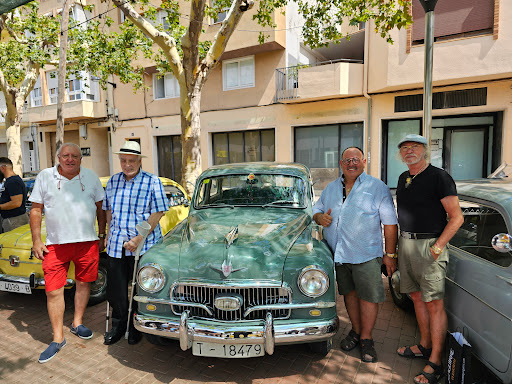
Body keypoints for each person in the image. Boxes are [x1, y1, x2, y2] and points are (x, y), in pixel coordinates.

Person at [313, 147, 398, 363]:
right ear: (341, 164)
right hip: (340, 254)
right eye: (347, 160)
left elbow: (390, 223)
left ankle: (367, 339)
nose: (352, 164)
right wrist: (319, 217)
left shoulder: (377, 187)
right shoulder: (331, 188)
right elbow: (315, 209)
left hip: (366, 254)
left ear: (364, 161)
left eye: (356, 160)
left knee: (368, 297)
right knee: (349, 294)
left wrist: (390, 254)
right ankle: (357, 332)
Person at [395, 134, 463, 384]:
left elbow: (457, 217)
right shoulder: (405, 178)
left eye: (414, 147)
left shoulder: (439, 177)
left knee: (434, 303)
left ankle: (435, 361)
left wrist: (438, 246)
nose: (409, 151)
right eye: (404, 148)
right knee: (415, 297)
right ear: (400, 154)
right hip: (406, 243)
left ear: (425, 151)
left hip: (429, 246)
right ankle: (424, 346)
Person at [29, 143, 106, 363]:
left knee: (84, 283)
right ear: (58, 158)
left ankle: (77, 323)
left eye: (74, 156)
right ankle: (57, 338)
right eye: (65, 156)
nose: (70, 159)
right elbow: (36, 209)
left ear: (81, 159)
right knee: (53, 291)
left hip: (87, 243)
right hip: (55, 245)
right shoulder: (45, 176)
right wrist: (36, 240)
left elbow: (101, 209)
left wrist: (102, 235)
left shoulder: (91, 177)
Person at [103, 141, 168, 346]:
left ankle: (136, 326)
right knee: (117, 289)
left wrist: (138, 239)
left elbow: (158, 212)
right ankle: (119, 324)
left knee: (141, 289)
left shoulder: (152, 181)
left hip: (143, 246)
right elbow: (108, 209)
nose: (127, 164)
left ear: (139, 161)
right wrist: (107, 232)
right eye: (123, 160)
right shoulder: (113, 181)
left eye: (131, 161)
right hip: (116, 245)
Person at [0, 157, 29, 232]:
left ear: (3, 168)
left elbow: (16, 203)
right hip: (13, 220)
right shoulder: (10, 181)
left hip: (14, 221)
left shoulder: (13, 182)